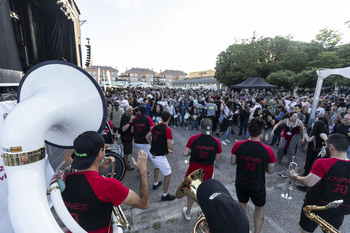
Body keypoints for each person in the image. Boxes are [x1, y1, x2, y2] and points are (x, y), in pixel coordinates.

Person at [62, 131, 150, 232]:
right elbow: (143, 204)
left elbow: (86, 182)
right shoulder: (108, 185)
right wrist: (143, 170)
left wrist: (99, 168)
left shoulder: (66, 179)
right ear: (100, 153)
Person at [290, 134, 350, 233]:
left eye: (325, 145)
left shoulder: (323, 163)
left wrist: (295, 177)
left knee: (305, 231)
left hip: (316, 206)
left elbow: (308, 182)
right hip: (339, 210)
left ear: (331, 147)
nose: (324, 147)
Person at [230, 118, 276, 233]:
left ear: (247, 130)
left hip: (241, 182)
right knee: (259, 207)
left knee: (241, 205)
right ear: (261, 132)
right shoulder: (268, 150)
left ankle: (242, 230)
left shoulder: (238, 145)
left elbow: (232, 162)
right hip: (257, 185)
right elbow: (271, 171)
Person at [182, 118, 222, 221]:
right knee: (206, 193)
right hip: (207, 171)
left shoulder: (193, 138)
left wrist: (192, 151)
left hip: (193, 170)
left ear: (200, 127)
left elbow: (184, 153)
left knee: (191, 192)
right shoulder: (216, 141)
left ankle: (188, 212)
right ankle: (205, 212)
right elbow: (217, 159)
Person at [145, 111, 175, 201]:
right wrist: (170, 152)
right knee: (168, 174)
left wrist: (151, 143)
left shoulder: (155, 127)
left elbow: (147, 137)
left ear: (161, 117)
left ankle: (155, 183)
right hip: (159, 155)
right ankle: (165, 195)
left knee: (157, 167)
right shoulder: (167, 130)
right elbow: (170, 145)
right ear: (169, 118)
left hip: (151, 153)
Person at [120, 106, 135, 170]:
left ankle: (124, 161)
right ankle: (125, 165)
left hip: (129, 137)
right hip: (125, 137)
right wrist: (130, 121)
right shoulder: (124, 118)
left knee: (128, 152)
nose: (132, 112)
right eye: (130, 111)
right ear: (126, 111)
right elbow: (123, 129)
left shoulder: (128, 116)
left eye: (132, 110)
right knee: (126, 152)